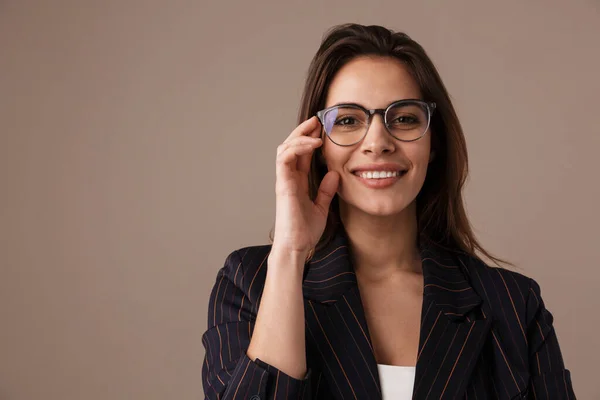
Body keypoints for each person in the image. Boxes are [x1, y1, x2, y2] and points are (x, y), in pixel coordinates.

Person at [201, 23, 576, 399]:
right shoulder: (248, 283)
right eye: (348, 120)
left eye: (404, 118)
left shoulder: (513, 305)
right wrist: (290, 253)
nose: (378, 142)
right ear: (316, 144)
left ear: (434, 143)